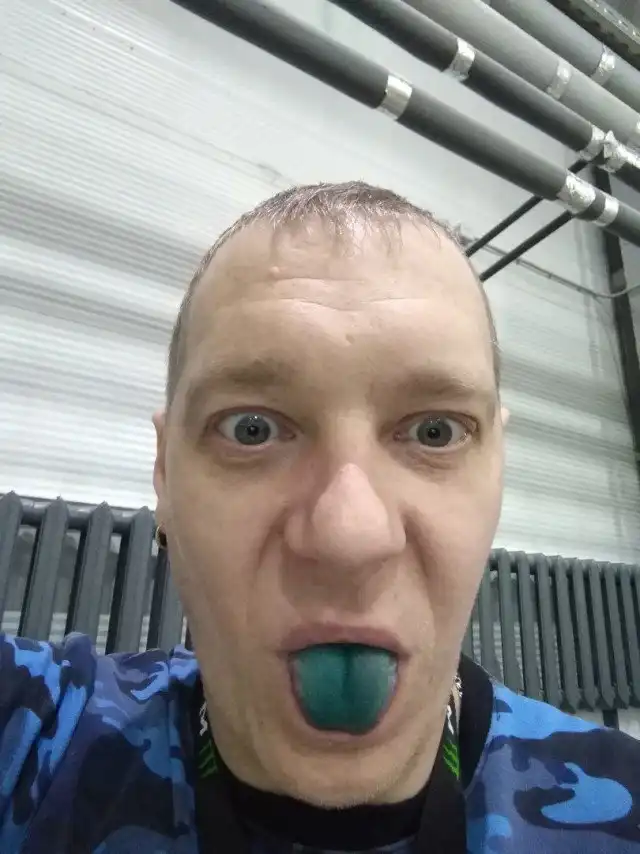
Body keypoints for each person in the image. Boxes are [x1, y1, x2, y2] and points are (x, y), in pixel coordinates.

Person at [1, 182, 639, 854]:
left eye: (435, 432)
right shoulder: (34, 737)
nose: (348, 536)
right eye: (250, 429)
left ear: (498, 469)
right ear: (164, 471)